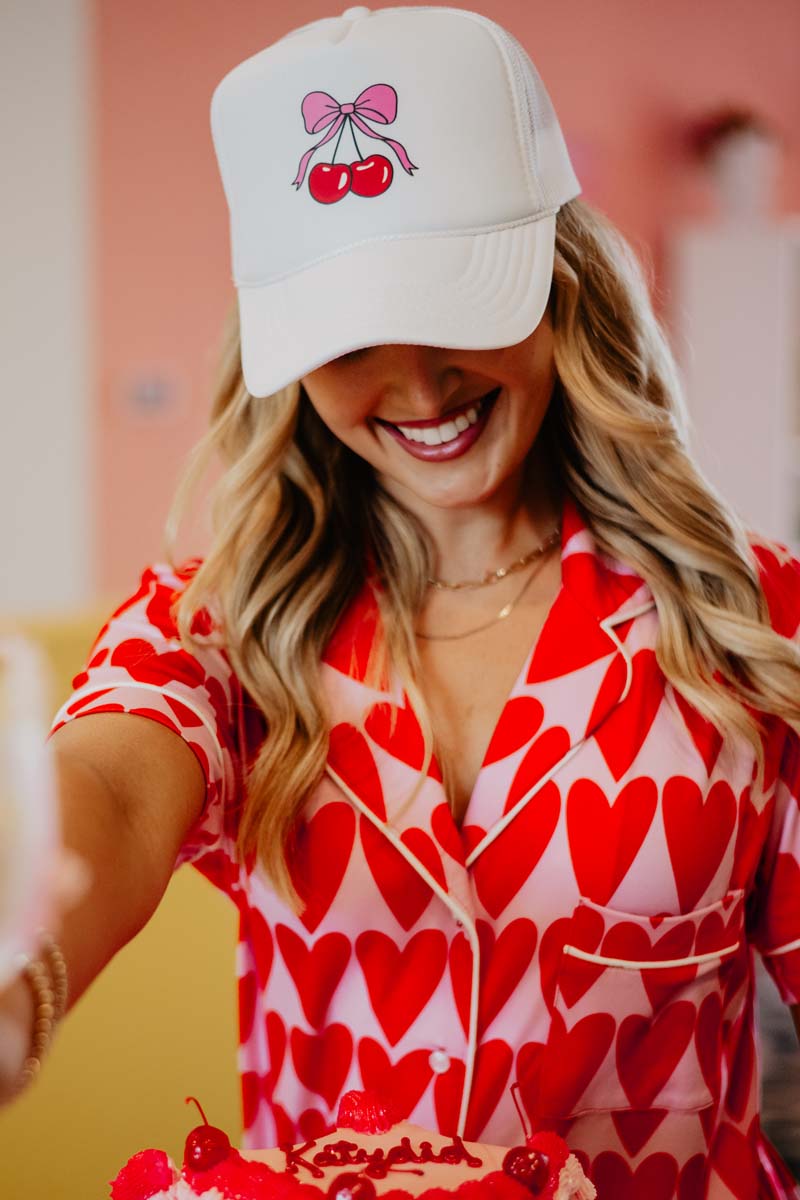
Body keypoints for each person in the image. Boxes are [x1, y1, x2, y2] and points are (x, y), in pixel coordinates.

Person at [2, 6, 800, 1197]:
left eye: (459, 302)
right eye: (348, 331)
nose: (418, 379)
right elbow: (113, 789)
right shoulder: (220, 631)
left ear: (557, 279)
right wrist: (22, 972)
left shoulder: (750, 620)